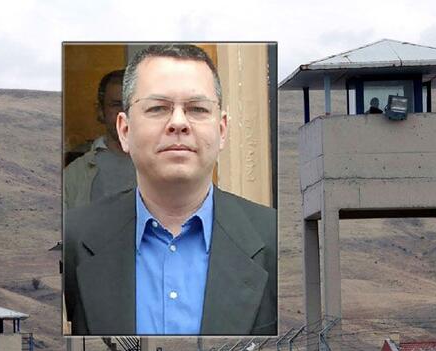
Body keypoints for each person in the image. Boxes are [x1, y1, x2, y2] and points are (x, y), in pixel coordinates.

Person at [64, 44, 277, 336]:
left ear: (222, 130)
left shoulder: (272, 237)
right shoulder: (74, 239)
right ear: (125, 130)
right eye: (158, 108)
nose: (178, 123)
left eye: (197, 109)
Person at [63, 69, 136, 209]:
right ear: (101, 111)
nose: (125, 113)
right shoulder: (74, 176)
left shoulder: (168, 164)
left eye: (132, 104)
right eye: (116, 105)